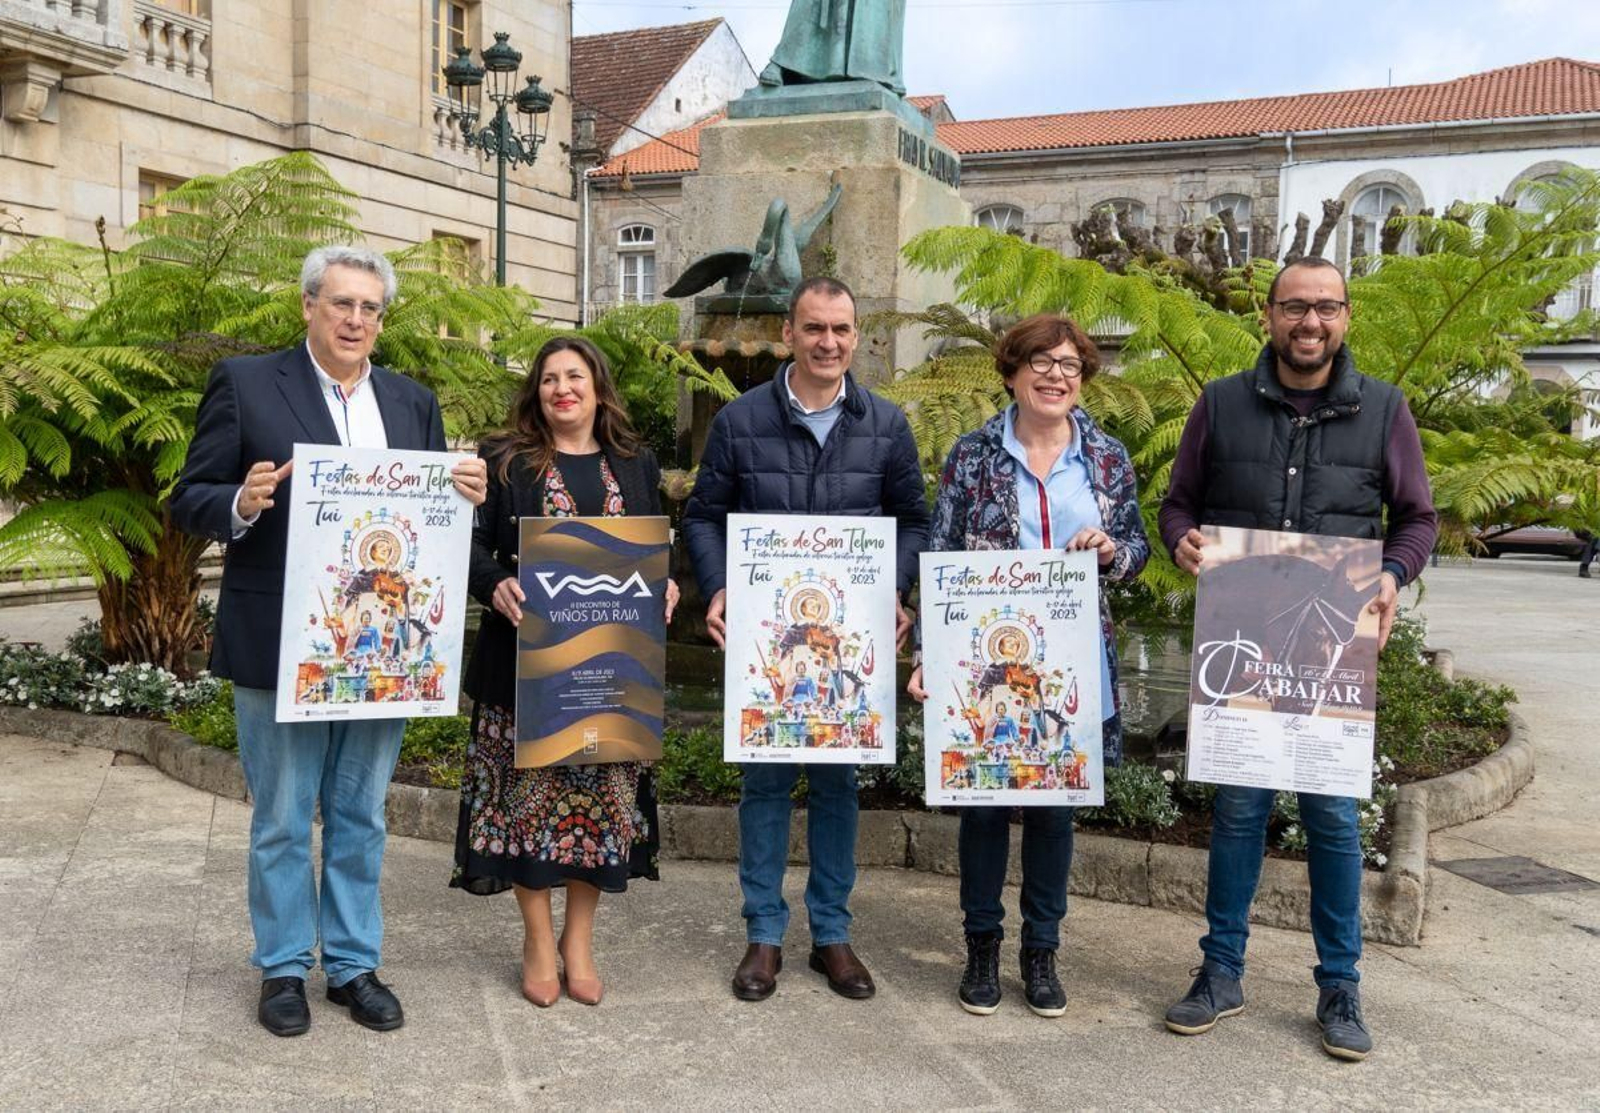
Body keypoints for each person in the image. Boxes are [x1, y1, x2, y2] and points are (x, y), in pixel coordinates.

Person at [170, 245, 489, 1037]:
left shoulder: (413, 402)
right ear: (308, 304)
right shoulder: (246, 383)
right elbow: (189, 497)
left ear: (382, 318)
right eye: (341, 303)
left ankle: (351, 963)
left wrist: (469, 496)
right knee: (281, 813)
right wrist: (239, 500)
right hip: (281, 638)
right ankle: (283, 966)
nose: (355, 319)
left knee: (360, 811)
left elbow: (429, 525)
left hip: (384, 654)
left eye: (370, 308)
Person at [1157, 256, 1438, 1062]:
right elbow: (1179, 502)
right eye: (1294, 307)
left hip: (1330, 647)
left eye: (1326, 308)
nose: (1309, 322)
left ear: (1346, 317)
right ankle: (1221, 971)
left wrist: (1389, 577)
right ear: (1270, 316)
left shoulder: (1384, 410)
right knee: (1239, 811)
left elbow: (1418, 519)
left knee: (1332, 821)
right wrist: (1182, 537)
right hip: (1244, 639)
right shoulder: (1221, 404)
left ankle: (1339, 984)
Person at [682, 275, 929, 1002]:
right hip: (772, 642)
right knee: (763, 782)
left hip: (845, 650)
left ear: (858, 338)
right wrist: (720, 584)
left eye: (841, 330)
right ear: (788, 334)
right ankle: (763, 933)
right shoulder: (739, 421)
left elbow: (914, 519)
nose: (828, 342)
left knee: (837, 786)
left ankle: (831, 934)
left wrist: (896, 587)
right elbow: (703, 514)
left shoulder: (885, 425)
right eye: (814, 328)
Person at [907, 313, 1148, 1018]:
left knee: (1054, 812)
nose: (1056, 375)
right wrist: (927, 651)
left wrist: (1112, 551)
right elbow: (941, 559)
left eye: (1071, 364)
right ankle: (981, 945)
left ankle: (1041, 951)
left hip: (1074, 666)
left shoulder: (1106, 457)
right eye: (1041, 361)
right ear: (1011, 371)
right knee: (983, 806)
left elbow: (1136, 549)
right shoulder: (971, 455)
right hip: (991, 667)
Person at [451, 336, 678, 1009]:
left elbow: (654, 543)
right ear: (537, 392)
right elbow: (467, 543)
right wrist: (493, 584)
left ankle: (578, 940)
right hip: (524, 667)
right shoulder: (505, 460)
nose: (561, 389)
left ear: (598, 388)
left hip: (612, 671)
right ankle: (537, 940)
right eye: (548, 379)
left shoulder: (634, 463)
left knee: (597, 810)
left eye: (574, 376)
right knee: (529, 808)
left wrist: (664, 589)